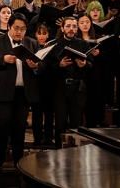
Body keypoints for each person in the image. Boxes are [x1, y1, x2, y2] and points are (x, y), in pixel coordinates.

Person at [0, 13, 39, 172]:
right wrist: (3, 59)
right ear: (9, 27)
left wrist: (36, 66)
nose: (19, 32)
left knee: (20, 128)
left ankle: (19, 163)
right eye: (16, 28)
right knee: (1, 127)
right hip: (3, 91)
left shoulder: (32, 43)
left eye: (23, 29)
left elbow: (43, 65)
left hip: (24, 92)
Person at [39, 17, 92, 148]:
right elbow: (47, 67)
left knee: (76, 122)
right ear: (62, 28)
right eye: (68, 26)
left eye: (74, 26)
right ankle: (59, 152)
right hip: (59, 87)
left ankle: (76, 154)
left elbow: (91, 65)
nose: (71, 29)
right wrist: (59, 65)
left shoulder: (83, 44)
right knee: (60, 123)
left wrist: (84, 64)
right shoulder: (54, 44)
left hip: (77, 87)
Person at [76, 12, 108, 128]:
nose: (85, 25)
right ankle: (87, 122)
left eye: (87, 22)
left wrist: (99, 54)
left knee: (97, 97)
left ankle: (98, 121)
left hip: (96, 73)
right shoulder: (76, 40)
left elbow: (107, 57)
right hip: (82, 73)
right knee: (85, 100)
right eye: (82, 23)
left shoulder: (98, 38)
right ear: (78, 25)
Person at [31, 23, 55, 145]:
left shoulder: (52, 48)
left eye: (44, 34)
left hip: (49, 85)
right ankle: (37, 138)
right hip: (36, 85)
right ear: (35, 34)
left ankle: (49, 137)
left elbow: (53, 66)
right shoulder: (32, 47)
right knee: (37, 113)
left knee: (49, 113)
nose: (41, 36)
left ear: (48, 35)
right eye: (39, 33)